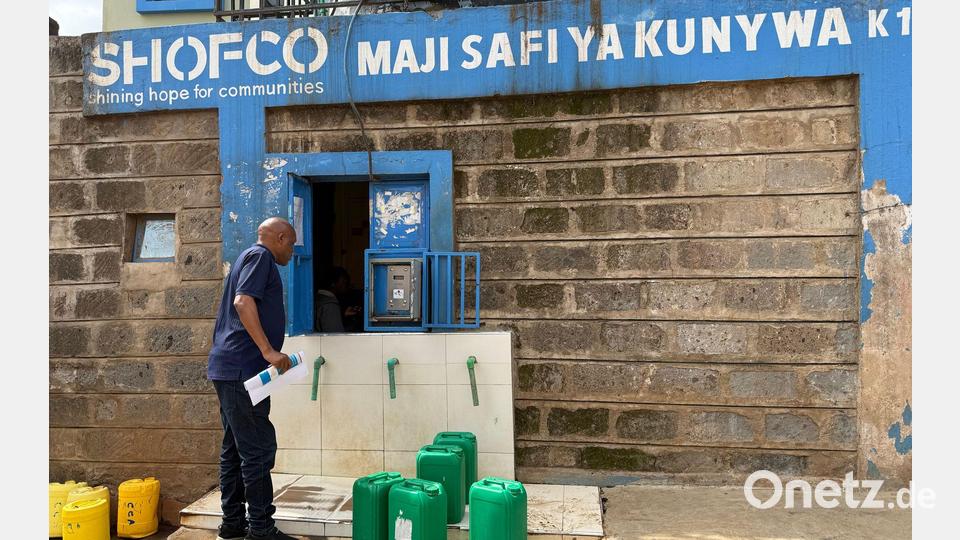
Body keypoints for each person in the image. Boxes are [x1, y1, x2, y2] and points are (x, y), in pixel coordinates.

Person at [207, 217, 299, 540]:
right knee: (257, 449)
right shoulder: (261, 257)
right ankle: (261, 530)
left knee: (234, 447)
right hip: (242, 370)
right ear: (280, 236)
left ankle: (232, 524)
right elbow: (243, 302)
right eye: (291, 243)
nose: (292, 250)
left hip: (230, 369)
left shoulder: (246, 257)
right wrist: (269, 351)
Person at [315, 266, 361, 332]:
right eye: (343, 281)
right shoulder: (330, 305)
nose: (346, 284)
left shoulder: (317, 298)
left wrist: (343, 314)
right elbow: (335, 336)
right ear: (332, 284)